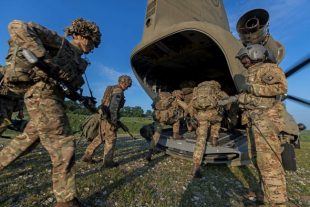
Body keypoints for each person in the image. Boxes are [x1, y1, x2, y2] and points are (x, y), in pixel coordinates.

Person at [0, 18, 101, 207]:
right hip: (42, 96)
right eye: (92, 40)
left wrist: (83, 99)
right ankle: (66, 200)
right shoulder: (60, 42)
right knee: (63, 143)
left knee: (26, 142)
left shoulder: (78, 62)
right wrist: (44, 60)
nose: (93, 46)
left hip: (51, 98)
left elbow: (64, 86)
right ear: (79, 34)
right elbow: (17, 26)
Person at [234, 44, 288, 206]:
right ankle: (263, 194)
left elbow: (281, 88)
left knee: (269, 161)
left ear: (254, 54)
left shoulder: (268, 69)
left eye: (244, 57)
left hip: (265, 120)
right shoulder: (250, 73)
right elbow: (248, 96)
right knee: (257, 159)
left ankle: (277, 202)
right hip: (252, 120)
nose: (243, 62)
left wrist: (251, 87)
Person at [81, 75, 132, 167]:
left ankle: (87, 155)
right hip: (109, 119)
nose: (127, 88)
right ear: (124, 83)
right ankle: (108, 162)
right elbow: (113, 108)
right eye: (127, 85)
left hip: (103, 117)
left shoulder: (111, 88)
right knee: (111, 140)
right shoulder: (118, 91)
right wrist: (114, 122)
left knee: (100, 137)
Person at [181, 80, 228, 178]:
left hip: (201, 115)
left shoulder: (197, 91)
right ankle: (214, 138)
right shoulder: (216, 89)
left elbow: (191, 106)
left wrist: (193, 116)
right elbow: (227, 100)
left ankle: (196, 167)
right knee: (217, 121)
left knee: (201, 139)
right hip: (214, 114)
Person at [145, 89, 184, 162]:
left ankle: (149, 153)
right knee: (177, 120)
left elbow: (154, 106)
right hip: (170, 118)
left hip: (160, 118)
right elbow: (183, 108)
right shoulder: (175, 98)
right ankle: (176, 134)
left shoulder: (161, 97)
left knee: (156, 135)